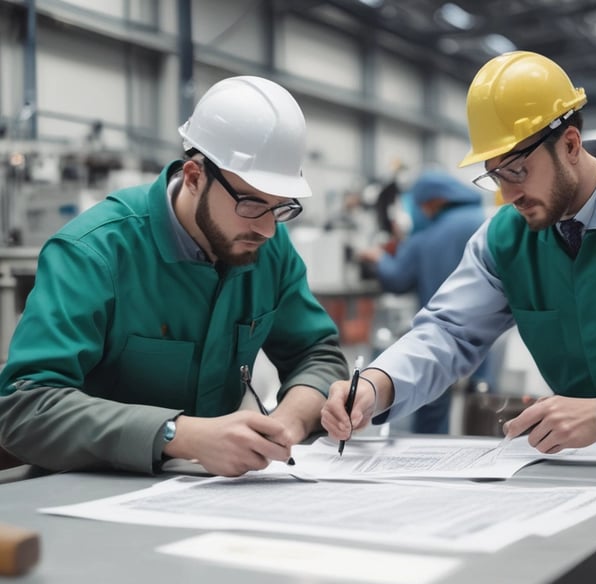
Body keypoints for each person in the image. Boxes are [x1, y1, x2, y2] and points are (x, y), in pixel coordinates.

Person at [321, 51, 596, 583]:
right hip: (583, 485)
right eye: (494, 175)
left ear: (571, 144)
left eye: (517, 170)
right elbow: (447, 332)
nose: (507, 194)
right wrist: (377, 384)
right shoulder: (504, 238)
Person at [0, 76, 348, 477]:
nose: (268, 229)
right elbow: (24, 407)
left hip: (207, 490)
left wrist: (288, 424)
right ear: (194, 176)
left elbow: (316, 354)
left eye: (281, 207)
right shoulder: (93, 253)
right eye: (251, 204)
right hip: (88, 488)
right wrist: (176, 435)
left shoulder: (268, 248)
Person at [358, 170, 486, 434]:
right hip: (484, 340)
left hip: (440, 340)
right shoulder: (486, 224)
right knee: (480, 407)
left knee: (432, 408)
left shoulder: (427, 237)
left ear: (434, 201)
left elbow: (397, 279)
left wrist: (378, 259)